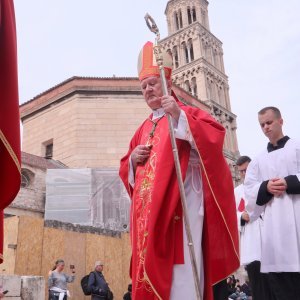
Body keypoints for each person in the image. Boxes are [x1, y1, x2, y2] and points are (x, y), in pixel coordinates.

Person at [119, 41, 239, 300]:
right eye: (143, 87)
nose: (147, 89)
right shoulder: (142, 129)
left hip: (180, 212)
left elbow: (213, 141)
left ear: (167, 83)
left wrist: (179, 118)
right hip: (148, 222)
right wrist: (132, 160)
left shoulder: (187, 112)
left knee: (181, 276)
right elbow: (126, 169)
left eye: (152, 83)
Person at [244, 106, 300, 299]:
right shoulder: (258, 160)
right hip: (274, 231)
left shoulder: (297, 147)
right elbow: (249, 189)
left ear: (280, 121)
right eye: (262, 125)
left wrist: (290, 181)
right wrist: (266, 187)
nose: (266, 127)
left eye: (269, 122)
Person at [235, 156, 267, 299]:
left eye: (246, 170)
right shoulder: (236, 192)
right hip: (251, 243)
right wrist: (241, 216)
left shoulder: (264, 185)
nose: (244, 174)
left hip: (268, 239)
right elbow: (231, 214)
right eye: (241, 171)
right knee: (257, 285)